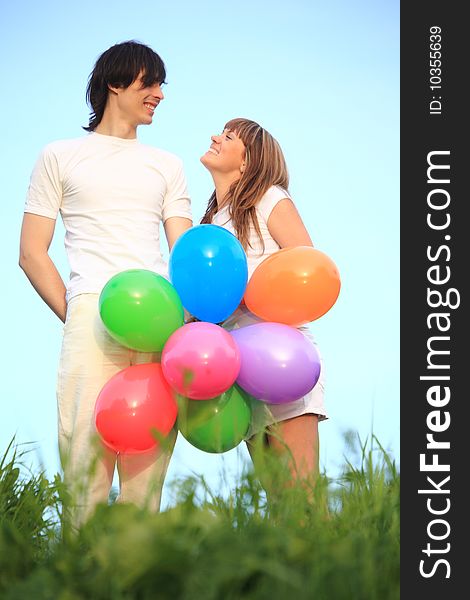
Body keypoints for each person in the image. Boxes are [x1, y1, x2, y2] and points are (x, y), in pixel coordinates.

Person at [19, 40, 192, 526]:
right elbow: (31, 252)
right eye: (150, 82)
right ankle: (80, 580)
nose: (159, 93)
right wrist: (77, 311)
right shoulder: (59, 155)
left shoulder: (167, 165)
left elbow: (183, 254)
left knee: (147, 475)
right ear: (115, 83)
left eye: (161, 84)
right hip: (93, 314)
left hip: (160, 321)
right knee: (85, 468)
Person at [200, 118, 327, 484]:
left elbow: (307, 266)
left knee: (300, 498)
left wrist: (246, 293)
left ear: (247, 161)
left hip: (285, 358)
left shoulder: (268, 198)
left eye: (228, 136)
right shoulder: (208, 225)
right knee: (277, 501)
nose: (215, 137)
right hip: (240, 371)